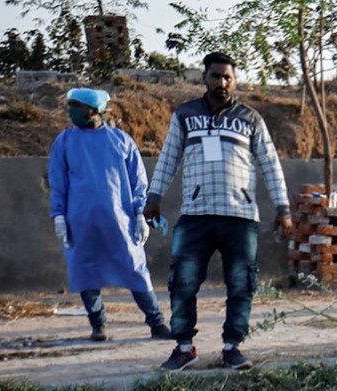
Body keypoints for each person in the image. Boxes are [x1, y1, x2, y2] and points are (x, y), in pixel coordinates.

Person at [143, 51, 293, 372]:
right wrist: (154, 196)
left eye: (228, 77)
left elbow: (270, 164)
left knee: (241, 284)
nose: (222, 82)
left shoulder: (250, 118)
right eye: (216, 76)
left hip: (240, 216)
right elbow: (168, 157)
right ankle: (184, 348)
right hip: (195, 215)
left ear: (234, 81)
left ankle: (232, 348)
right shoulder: (185, 114)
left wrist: (283, 207)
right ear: (204, 78)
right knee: (182, 282)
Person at [47, 87, 171, 343]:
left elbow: (138, 182)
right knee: (85, 270)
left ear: (95, 111)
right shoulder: (65, 141)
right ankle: (98, 324)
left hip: (120, 220)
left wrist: (140, 214)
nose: (71, 111)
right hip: (80, 220)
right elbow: (58, 183)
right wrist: (58, 216)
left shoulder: (121, 140)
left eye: (76, 106)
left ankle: (157, 322)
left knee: (135, 268)